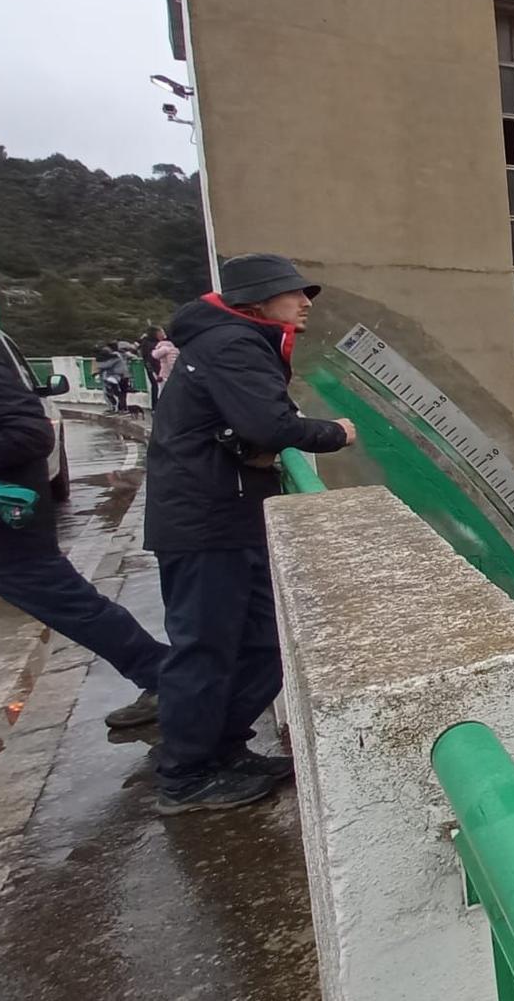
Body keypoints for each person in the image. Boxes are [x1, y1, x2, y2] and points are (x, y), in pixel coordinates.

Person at [145, 254, 356, 814]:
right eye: (292, 293)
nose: (305, 302)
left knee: (261, 643)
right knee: (206, 649)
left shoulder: (226, 343)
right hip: (206, 522)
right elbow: (268, 425)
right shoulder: (233, 346)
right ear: (257, 303)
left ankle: (221, 751)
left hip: (223, 515)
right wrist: (334, 432)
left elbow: (245, 424)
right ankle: (187, 775)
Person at [0, 308, 167, 758]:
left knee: (79, 613)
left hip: (3, 535)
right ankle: (165, 677)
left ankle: (170, 680)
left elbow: (32, 435)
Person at [138, 325, 168, 408]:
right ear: (157, 333)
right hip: (156, 370)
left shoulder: (147, 343)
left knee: (156, 388)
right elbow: (152, 359)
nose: (163, 334)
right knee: (157, 388)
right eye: (162, 332)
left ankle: (156, 407)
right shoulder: (151, 345)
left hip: (154, 369)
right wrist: (158, 371)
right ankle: (157, 407)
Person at [96, 346, 131, 414]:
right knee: (120, 394)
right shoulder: (115, 356)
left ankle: (122, 408)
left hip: (122, 377)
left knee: (120, 394)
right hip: (122, 376)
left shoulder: (114, 358)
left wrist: (98, 365)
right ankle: (120, 408)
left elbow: (106, 365)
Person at [150, 330, 178, 402]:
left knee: (162, 393)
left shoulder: (163, 348)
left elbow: (155, 355)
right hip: (174, 374)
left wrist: (155, 350)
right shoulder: (175, 348)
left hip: (164, 374)